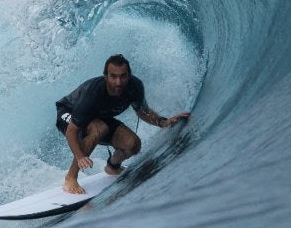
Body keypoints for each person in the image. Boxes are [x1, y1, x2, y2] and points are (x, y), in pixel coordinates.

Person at [55, 54, 190, 194]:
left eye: (123, 76)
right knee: (99, 128)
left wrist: (163, 122)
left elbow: (143, 111)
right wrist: (80, 157)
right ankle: (70, 178)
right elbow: (72, 132)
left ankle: (113, 167)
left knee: (133, 144)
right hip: (68, 112)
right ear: (105, 76)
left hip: (98, 119)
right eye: (113, 76)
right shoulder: (93, 93)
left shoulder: (134, 87)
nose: (118, 82)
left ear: (129, 75)